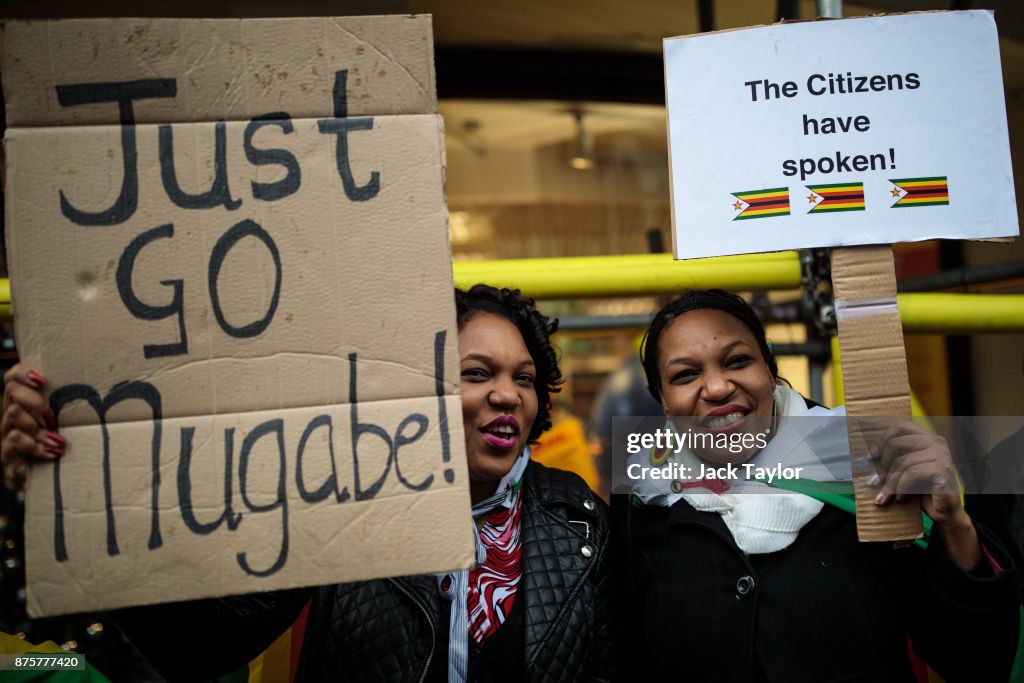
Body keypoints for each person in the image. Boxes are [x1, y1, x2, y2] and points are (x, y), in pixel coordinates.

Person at [2, 284, 611, 683]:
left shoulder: (583, 519)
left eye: (525, 378)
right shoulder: (341, 501)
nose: (507, 394)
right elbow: (196, 643)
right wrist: (55, 484)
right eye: (476, 374)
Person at [613, 288, 1019, 682]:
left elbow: (975, 663)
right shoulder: (642, 504)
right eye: (686, 374)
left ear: (770, 373)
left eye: (737, 361)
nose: (718, 387)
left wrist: (954, 524)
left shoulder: (868, 467)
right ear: (662, 401)